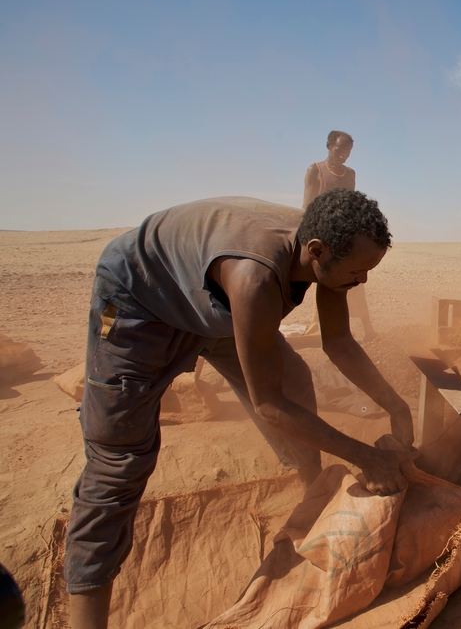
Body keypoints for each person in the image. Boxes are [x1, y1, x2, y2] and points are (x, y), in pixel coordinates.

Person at [66, 191, 414, 629]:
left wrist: (396, 406)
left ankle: (313, 500)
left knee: (294, 380)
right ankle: (86, 615)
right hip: (142, 301)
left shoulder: (327, 249)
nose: (362, 281)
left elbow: (339, 341)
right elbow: (268, 404)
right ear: (316, 252)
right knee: (119, 463)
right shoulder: (255, 279)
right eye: (358, 272)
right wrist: (365, 456)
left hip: (215, 302)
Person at [304, 131, 376, 339]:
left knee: (354, 282)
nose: (343, 155)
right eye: (339, 150)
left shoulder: (350, 174)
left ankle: (367, 329)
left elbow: (351, 206)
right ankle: (318, 327)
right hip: (321, 238)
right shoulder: (315, 171)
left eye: (347, 152)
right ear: (328, 145)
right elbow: (307, 206)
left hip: (344, 237)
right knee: (322, 280)